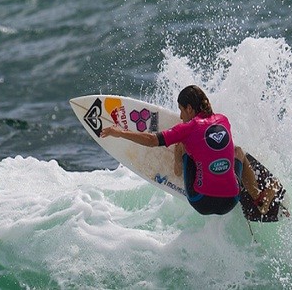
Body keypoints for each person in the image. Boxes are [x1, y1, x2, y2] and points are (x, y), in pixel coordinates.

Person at [100, 85, 276, 215]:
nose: (181, 116)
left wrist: (120, 132)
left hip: (201, 201)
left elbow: (152, 140)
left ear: (190, 108)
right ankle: (258, 198)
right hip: (230, 201)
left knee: (182, 144)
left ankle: (177, 167)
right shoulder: (223, 120)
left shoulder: (187, 128)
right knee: (238, 151)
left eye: (181, 110)